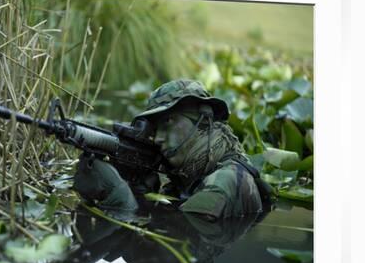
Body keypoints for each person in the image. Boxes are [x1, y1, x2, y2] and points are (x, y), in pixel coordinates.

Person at [73, 79, 272, 221]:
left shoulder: (225, 181)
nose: (158, 137)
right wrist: (141, 193)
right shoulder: (188, 176)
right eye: (155, 128)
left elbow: (183, 238)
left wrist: (122, 199)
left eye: (168, 121)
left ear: (202, 119)